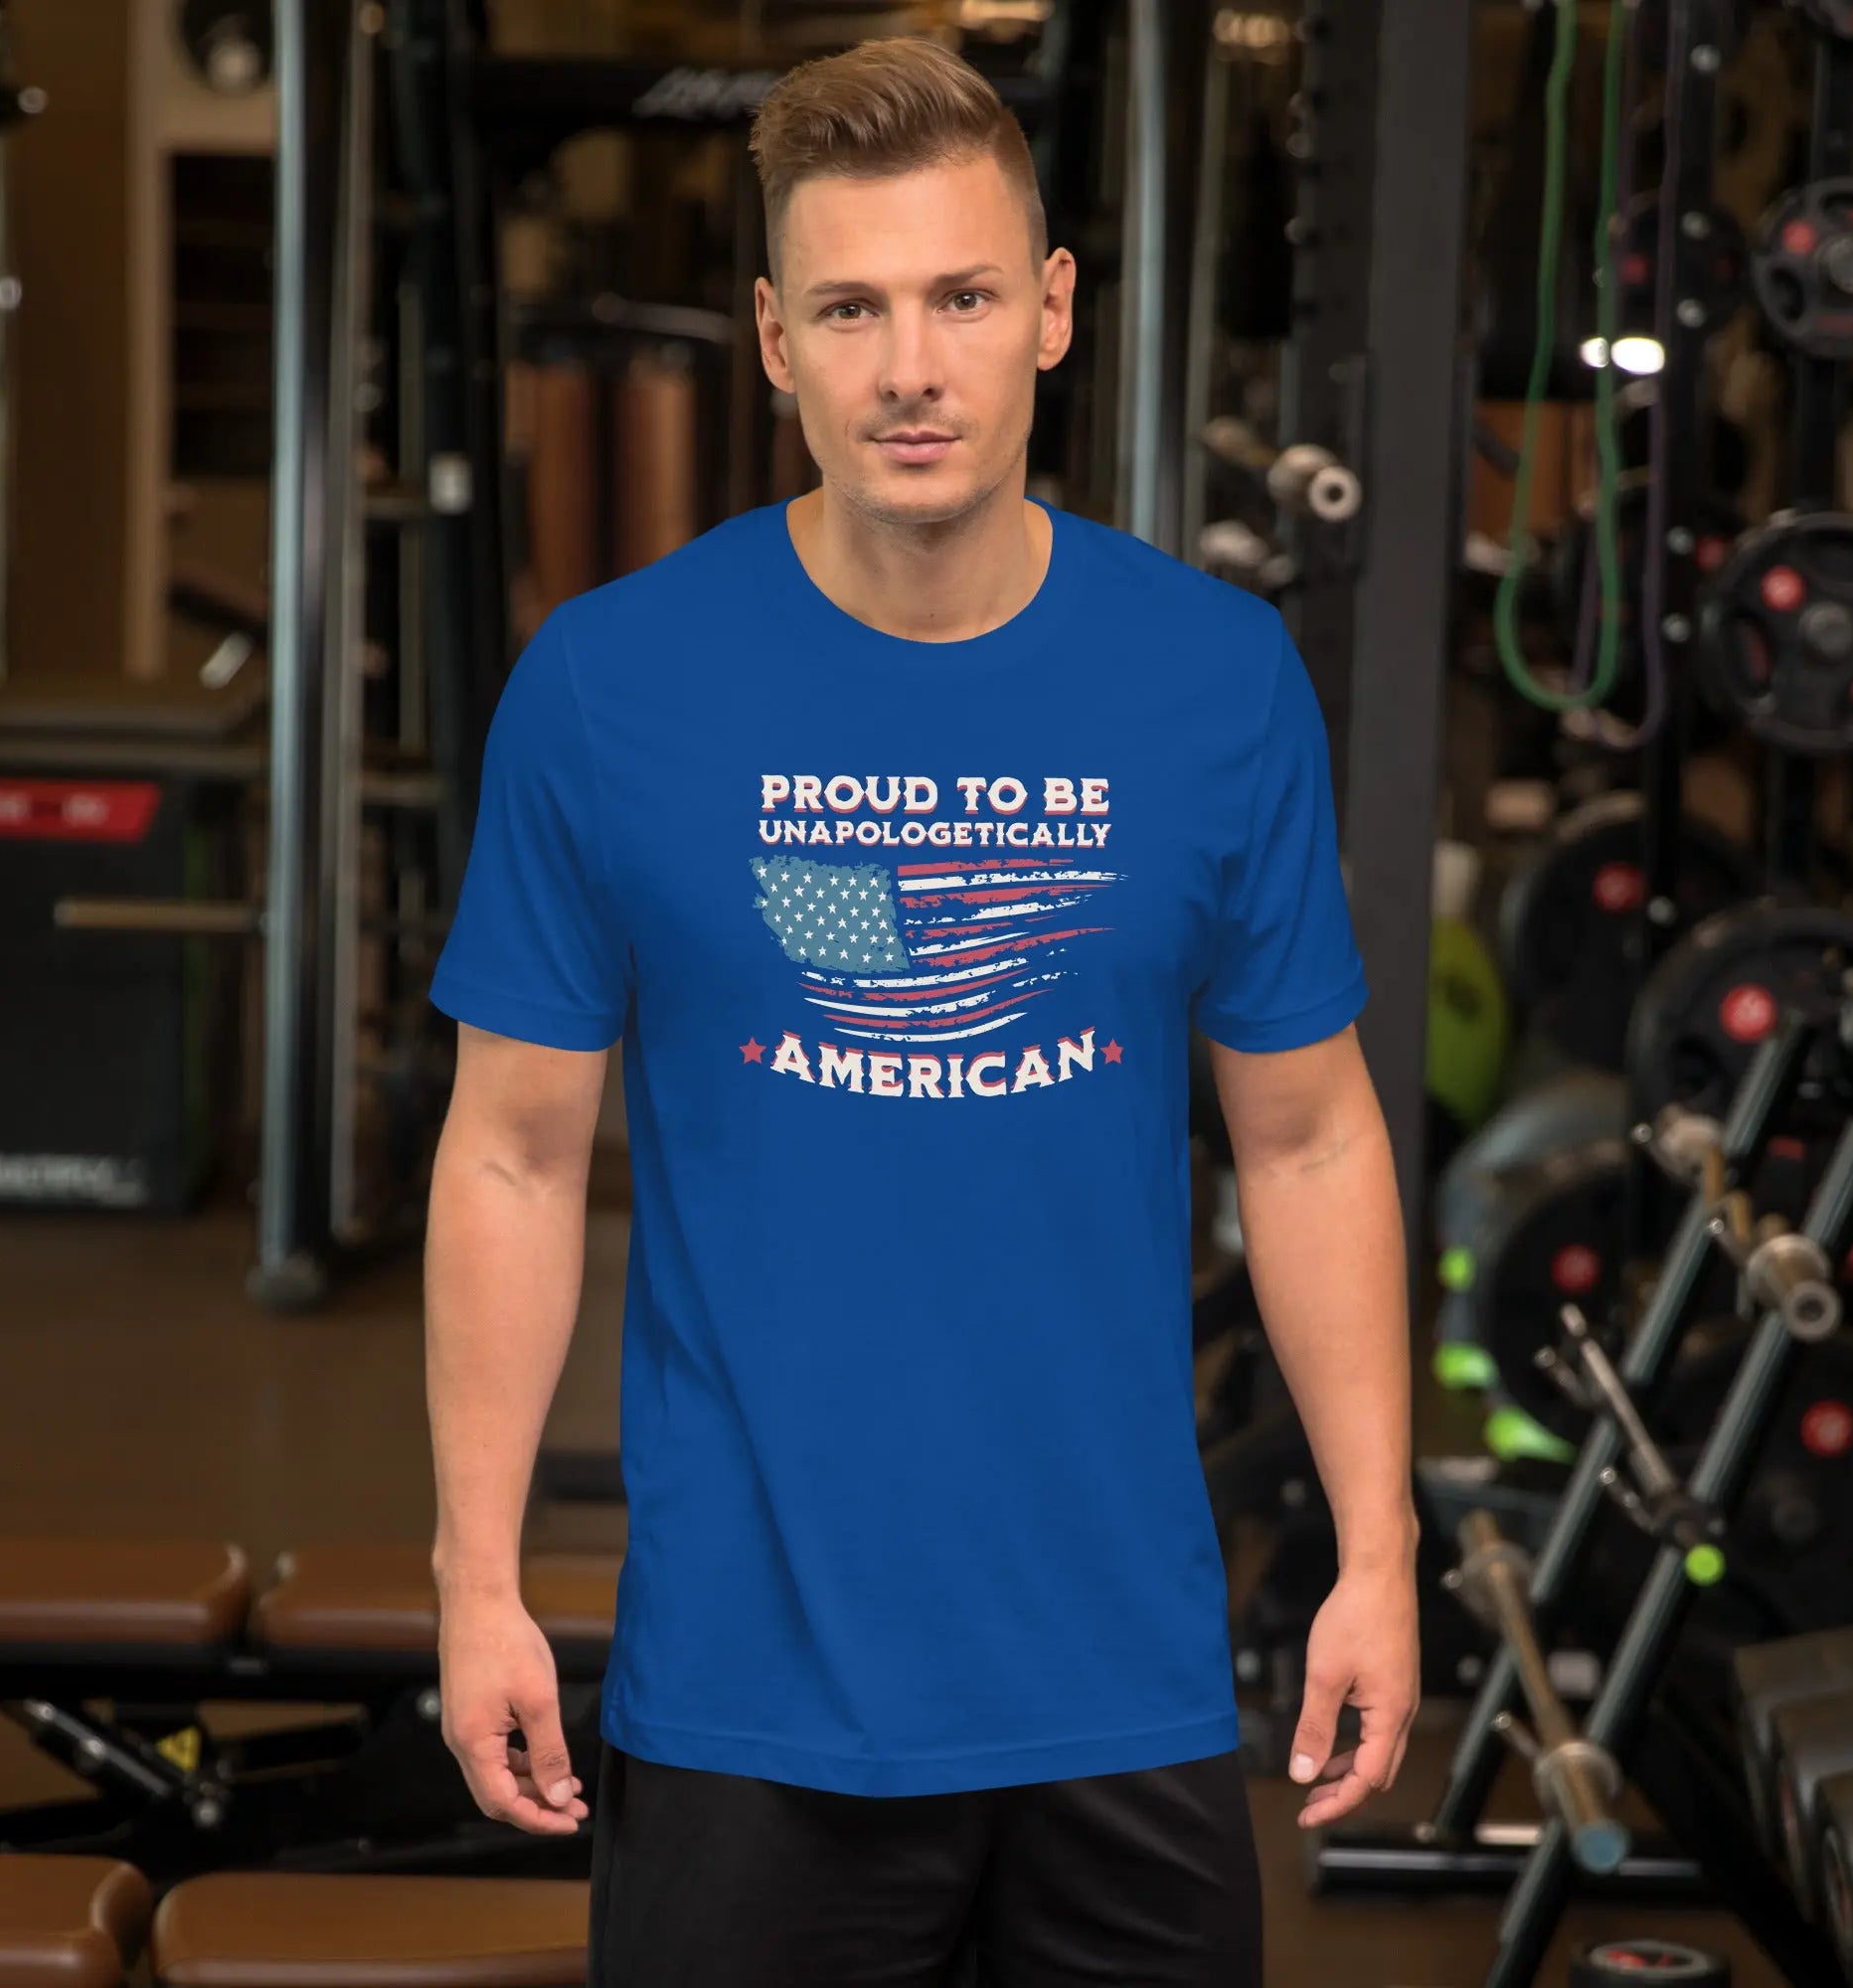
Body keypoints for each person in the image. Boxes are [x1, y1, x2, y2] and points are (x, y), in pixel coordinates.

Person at [424, 33, 1418, 1987]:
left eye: (962, 296)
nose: (910, 367)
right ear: (774, 337)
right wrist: (477, 1579)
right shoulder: (610, 686)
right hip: (745, 1691)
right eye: (854, 308)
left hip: (1118, 1684)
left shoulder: (1213, 682)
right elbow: (514, 1153)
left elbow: (1308, 1132)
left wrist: (1372, 1553)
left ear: (1049, 313)